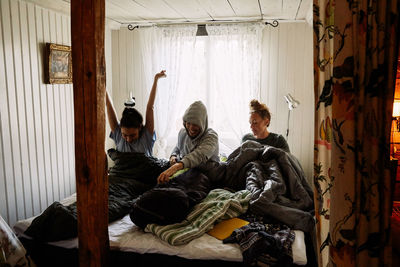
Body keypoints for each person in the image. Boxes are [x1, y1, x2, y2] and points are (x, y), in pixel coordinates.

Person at [106, 70, 166, 156]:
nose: (129, 139)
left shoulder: (146, 136)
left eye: (133, 135)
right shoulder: (118, 134)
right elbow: (109, 105)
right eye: (125, 135)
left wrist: (156, 80)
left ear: (140, 128)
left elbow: (150, 107)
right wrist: (101, 81)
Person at [157, 101, 219, 184]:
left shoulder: (211, 136)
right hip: (185, 172)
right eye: (188, 123)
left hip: (204, 175)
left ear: (203, 123)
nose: (191, 128)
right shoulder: (183, 133)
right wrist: (173, 155)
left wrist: (177, 167)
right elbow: (178, 147)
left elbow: (199, 155)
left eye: (195, 124)